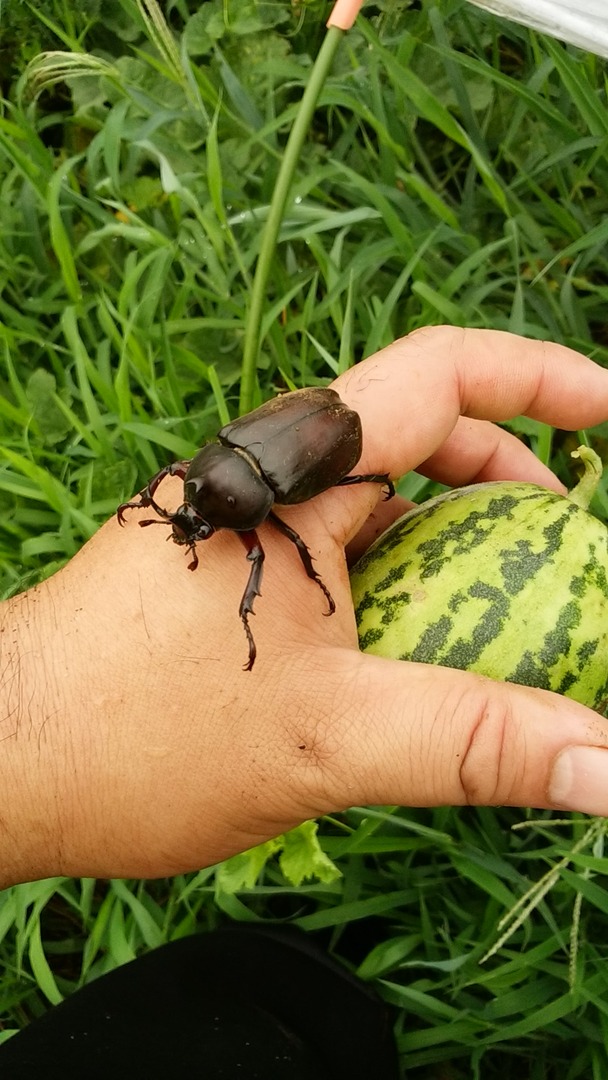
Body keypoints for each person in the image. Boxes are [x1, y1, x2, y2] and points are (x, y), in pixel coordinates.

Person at [2, 325, 608, 891]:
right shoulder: (212, 471)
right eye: (190, 512)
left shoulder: (250, 491)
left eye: (193, 518)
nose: (189, 524)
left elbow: (264, 551)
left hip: (313, 444)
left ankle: (257, 605)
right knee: (296, 534)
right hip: (292, 436)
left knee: (285, 545)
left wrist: (247, 617)